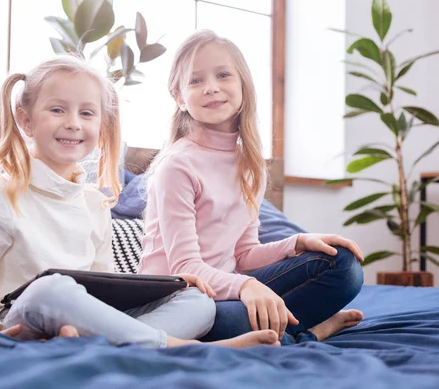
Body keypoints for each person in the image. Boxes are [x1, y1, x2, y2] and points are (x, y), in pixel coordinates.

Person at [0, 54, 280, 349]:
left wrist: (170, 285)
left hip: (78, 329)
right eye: (56, 110)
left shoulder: (94, 204)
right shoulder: (0, 195)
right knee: (50, 289)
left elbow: (104, 292)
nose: (73, 123)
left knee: (198, 301)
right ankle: (181, 348)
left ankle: (101, 346)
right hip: (22, 318)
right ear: (25, 120)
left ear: (100, 124)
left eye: (86, 113)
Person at [139, 30, 365, 344]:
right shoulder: (177, 165)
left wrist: (298, 243)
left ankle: (291, 329)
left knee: (343, 264)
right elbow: (185, 267)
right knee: (240, 323)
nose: (212, 88)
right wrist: (246, 287)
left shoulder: (250, 165)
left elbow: (244, 254)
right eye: (196, 81)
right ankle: (311, 331)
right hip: (182, 298)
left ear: (243, 85)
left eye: (223, 75)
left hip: (227, 285)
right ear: (180, 97)